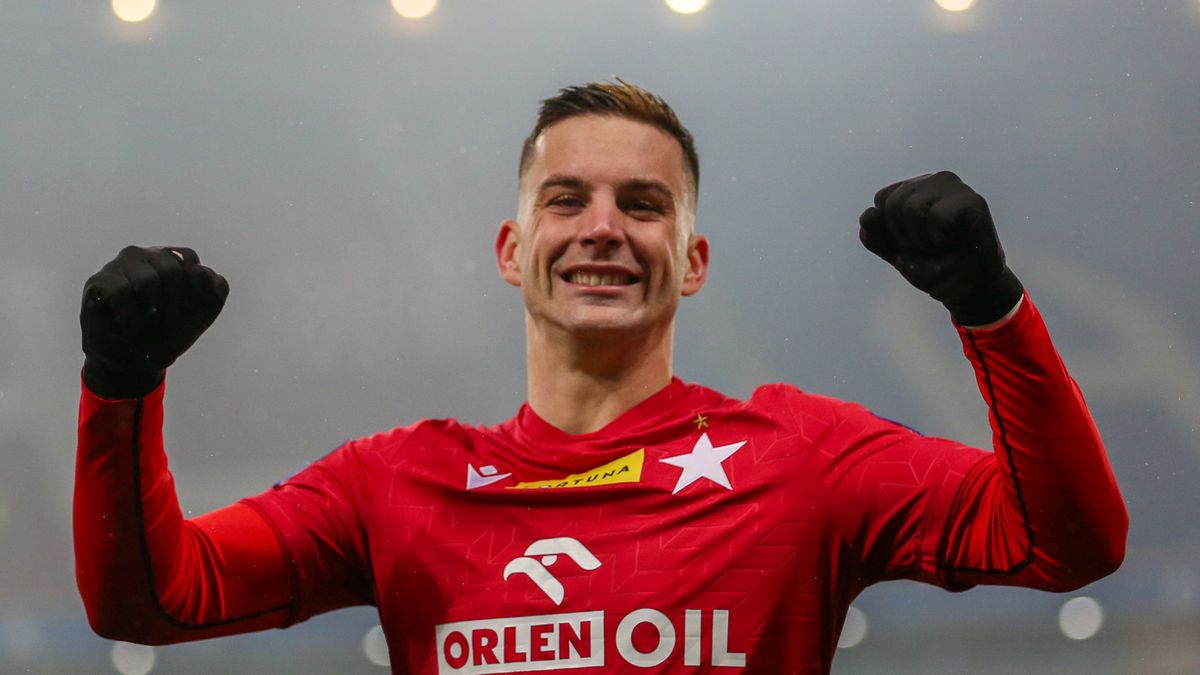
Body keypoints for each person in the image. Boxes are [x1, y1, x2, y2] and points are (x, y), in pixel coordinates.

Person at [74, 80, 1127, 674]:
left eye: (645, 204)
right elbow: (152, 600)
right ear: (511, 248)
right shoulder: (392, 486)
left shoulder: (804, 459)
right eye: (567, 199)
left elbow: (1070, 542)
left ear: (694, 261)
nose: (604, 229)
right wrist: (120, 388)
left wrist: (992, 311)